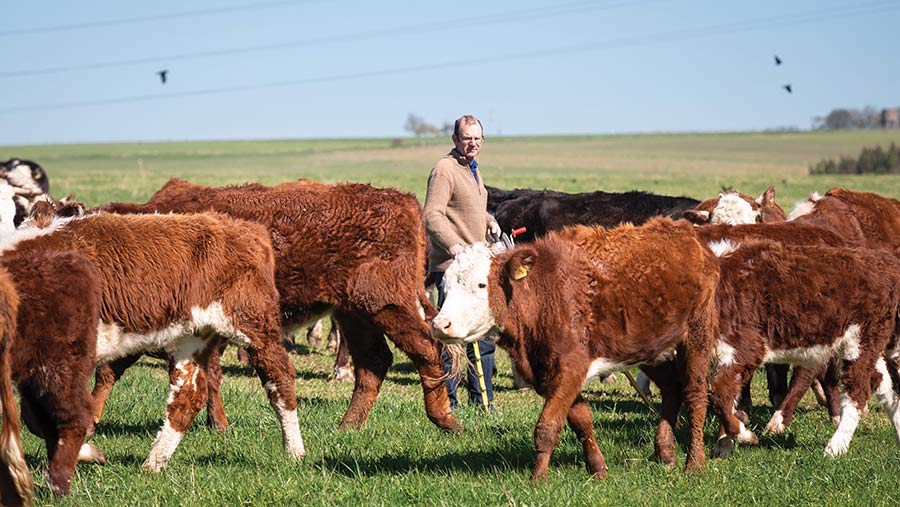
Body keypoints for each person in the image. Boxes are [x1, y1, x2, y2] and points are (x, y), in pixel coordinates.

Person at [424, 114, 500, 410]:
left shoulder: (472, 170)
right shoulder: (445, 169)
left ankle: (484, 402)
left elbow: (468, 210)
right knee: (451, 337)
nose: (473, 143)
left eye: (478, 138)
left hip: (475, 269)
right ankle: (449, 404)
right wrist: (454, 247)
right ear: (455, 139)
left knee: (482, 336)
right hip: (453, 270)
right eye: (467, 138)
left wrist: (490, 220)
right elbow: (433, 215)